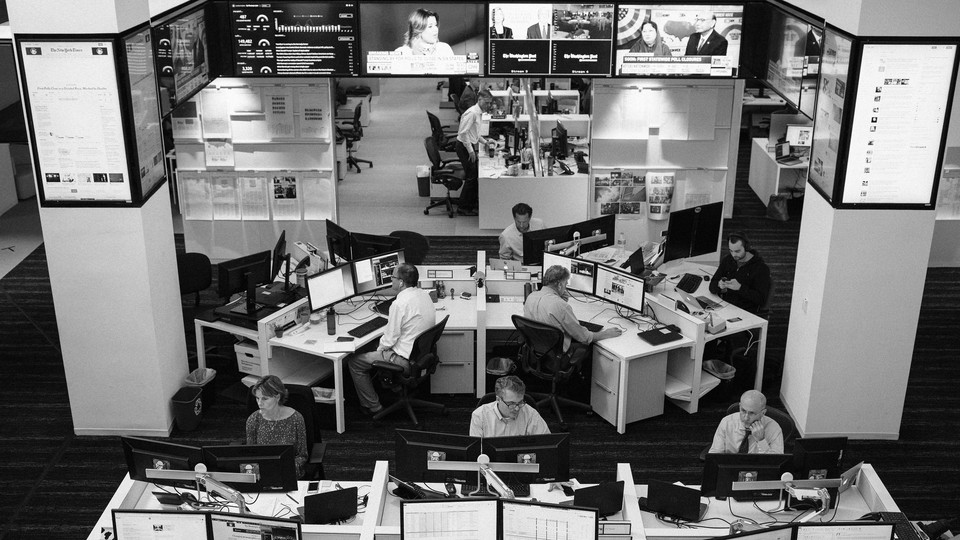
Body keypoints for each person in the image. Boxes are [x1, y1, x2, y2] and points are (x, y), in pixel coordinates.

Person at [347, 263, 436, 416]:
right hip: (419, 356)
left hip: (404, 361)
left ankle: (373, 406)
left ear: (401, 282)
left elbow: (388, 340)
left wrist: (377, 352)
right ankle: (393, 386)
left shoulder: (399, 304)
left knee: (354, 361)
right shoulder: (423, 295)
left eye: (393, 277)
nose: (391, 280)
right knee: (375, 347)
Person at [523, 265, 622, 400]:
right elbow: (584, 337)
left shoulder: (531, 297)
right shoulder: (561, 306)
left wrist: (561, 295)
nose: (566, 286)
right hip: (558, 358)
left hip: (537, 354)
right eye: (565, 283)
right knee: (590, 346)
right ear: (559, 284)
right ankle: (581, 394)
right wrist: (605, 333)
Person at [246, 375, 308, 478]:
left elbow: (302, 455)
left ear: (277, 397)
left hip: (289, 473)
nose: (259, 403)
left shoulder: (296, 418)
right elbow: (251, 455)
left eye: (265, 399)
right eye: (257, 398)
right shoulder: (253, 420)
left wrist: (286, 469)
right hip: (263, 474)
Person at [454, 88, 495, 216]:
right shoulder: (472, 113)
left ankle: (471, 204)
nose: (488, 105)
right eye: (486, 102)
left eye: (490, 103)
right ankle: (463, 207)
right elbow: (463, 133)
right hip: (464, 147)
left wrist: (485, 142)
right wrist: (471, 151)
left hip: (469, 145)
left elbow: (474, 134)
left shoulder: (479, 113)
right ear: (480, 100)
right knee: (471, 177)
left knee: (474, 175)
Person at [709, 232, 771, 314]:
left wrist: (740, 288)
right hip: (724, 306)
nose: (734, 255)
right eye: (731, 251)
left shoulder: (761, 268)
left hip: (744, 312)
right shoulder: (728, 260)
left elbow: (761, 300)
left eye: (737, 251)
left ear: (746, 247)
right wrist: (719, 286)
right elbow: (712, 286)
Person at [470, 375, 550, 437]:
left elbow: (547, 444)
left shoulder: (530, 414)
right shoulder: (480, 415)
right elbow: (475, 452)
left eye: (520, 403)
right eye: (511, 404)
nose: (517, 408)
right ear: (498, 399)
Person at [709, 390, 784, 454]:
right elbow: (714, 455)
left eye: (752, 413)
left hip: (758, 468)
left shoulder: (774, 428)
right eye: (743, 411)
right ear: (739, 406)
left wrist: (761, 441)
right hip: (730, 467)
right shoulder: (727, 422)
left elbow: (776, 462)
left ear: (763, 413)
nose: (746, 417)